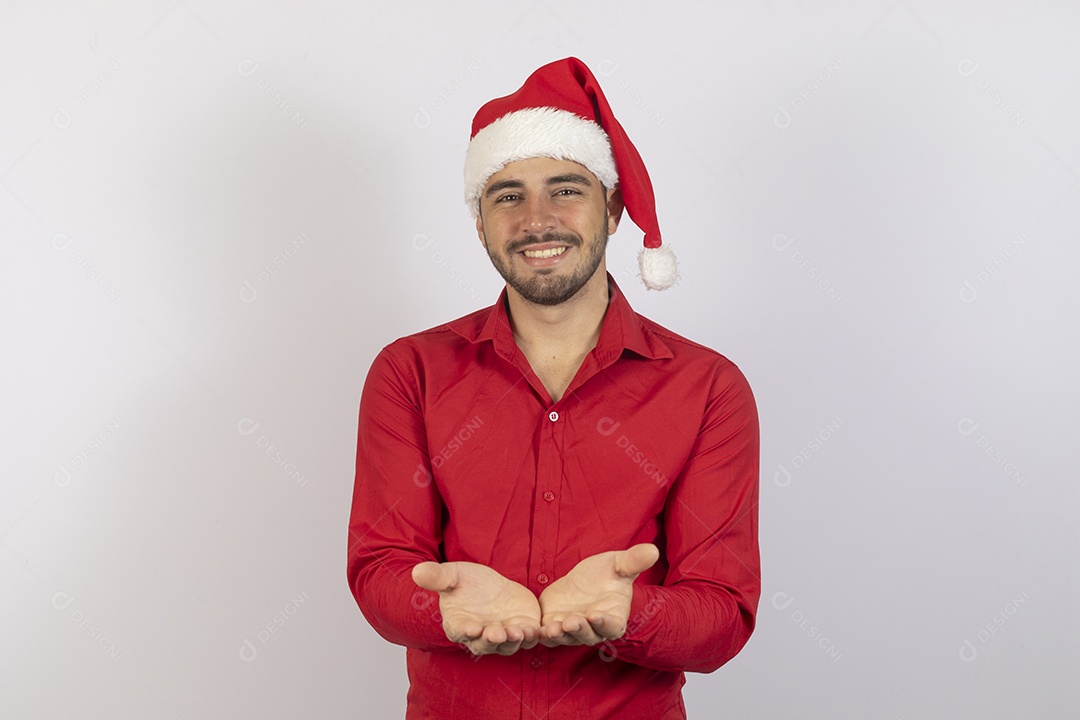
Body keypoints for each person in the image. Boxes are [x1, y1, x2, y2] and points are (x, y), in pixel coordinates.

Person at [347, 57, 760, 720]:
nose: (537, 220)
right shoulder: (409, 372)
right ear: (480, 222)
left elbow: (723, 614)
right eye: (507, 196)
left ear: (614, 209)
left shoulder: (707, 387)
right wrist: (443, 608)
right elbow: (380, 571)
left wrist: (630, 612)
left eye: (566, 189)